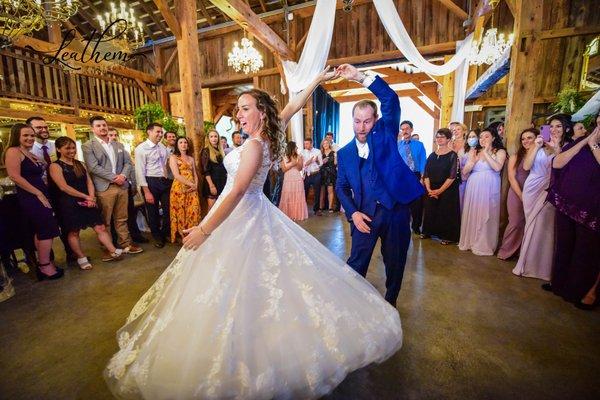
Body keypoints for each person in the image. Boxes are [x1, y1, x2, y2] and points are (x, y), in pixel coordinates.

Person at [105, 65, 402, 400]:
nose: (239, 114)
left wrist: (205, 229)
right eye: (238, 110)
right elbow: (290, 106)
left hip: (243, 215)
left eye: (245, 108)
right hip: (239, 214)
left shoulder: (256, 145)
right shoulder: (265, 138)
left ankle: (251, 353)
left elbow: (237, 190)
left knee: (248, 283)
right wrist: (316, 81)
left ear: (261, 113)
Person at [336, 65, 424, 306]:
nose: (362, 127)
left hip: (395, 211)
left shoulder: (385, 132)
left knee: (395, 262)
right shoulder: (344, 154)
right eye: (357, 121)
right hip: (364, 215)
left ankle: (390, 303)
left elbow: (390, 99)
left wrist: (359, 77)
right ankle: (350, 304)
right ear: (352, 122)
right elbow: (341, 187)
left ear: (375, 120)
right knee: (356, 263)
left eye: (367, 121)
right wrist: (353, 213)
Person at [544, 114, 599, 309]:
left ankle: (576, 291)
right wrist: (585, 141)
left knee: (584, 251)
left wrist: (593, 145)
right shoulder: (582, 141)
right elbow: (557, 163)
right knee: (564, 245)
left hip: (591, 208)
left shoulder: (595, 146)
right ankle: (559, 284)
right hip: (567, 202)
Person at [49, 137, 124, 269]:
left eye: (73, 148)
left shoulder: (80, 164)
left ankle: (112, 250)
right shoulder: (55, 166)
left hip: (87, 199)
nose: (72, 151)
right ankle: (80, 257)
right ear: (58, 149)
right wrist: (86, 197)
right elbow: (63, 187)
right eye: (67, 148)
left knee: (100, 227)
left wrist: (91, 196)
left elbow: (89, 181)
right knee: (74, 232)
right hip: (69, 202)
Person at [512, 114, 570, 281]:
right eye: (551, 126)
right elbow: (527, 166)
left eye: (558, 126)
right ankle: (526, 263)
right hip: (532, 185)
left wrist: (556, 147)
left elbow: (561, 166)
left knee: (544, 225)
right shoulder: (539, 145)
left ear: (565, 128)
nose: (554, 130)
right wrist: (537, 146)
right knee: (530, 223)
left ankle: (540, 267)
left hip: (551, 186)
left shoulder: (567, 146)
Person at [4, 123, 63, 280]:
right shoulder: (13, 151)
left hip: (39, 194)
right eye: (26, 135)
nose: (30, 138)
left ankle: (43, 262)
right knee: (47, 229)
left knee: (42, 230)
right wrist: (37, 193)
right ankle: (44, 266)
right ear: (17, 136)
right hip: (31, 196)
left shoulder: (27, 152)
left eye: (31, 135)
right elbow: (14, 176)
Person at [83, 116, 143, 255]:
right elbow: (93, 167)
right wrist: (114, 178)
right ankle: (108, 248)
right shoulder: (88, 146)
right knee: (106, 220)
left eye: (104, 125)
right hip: (105, 188)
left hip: (122, 186)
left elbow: (128, 163)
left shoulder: (118, 145)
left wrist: (122, 176)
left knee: (122, 218)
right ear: (92, 129)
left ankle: (126, 244)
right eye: (98, 126)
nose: (102, 128)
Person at [27, 116, 75, 262]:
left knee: (66, 221)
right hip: (41, 191)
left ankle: (71, 252)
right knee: (45, 225)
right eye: (39, 128)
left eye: (45, 127)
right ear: (31, 129)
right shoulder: (29, 149)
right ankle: (48, 258)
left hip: (60, 191)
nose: (43, 130)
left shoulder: (56, 145)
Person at [459, 127, 507, 255]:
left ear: (493, 138)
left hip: (490, 185)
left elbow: (497, 167)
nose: (482, 139)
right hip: (473, 184)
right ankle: (470, 241)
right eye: (481, 137)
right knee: (473, 211)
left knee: (488, 211)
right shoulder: (474, 151)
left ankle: (484, 244)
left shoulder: (500, 151)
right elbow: (464, 172)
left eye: (486, 136)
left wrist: (486, 152)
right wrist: (472, 162)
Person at [496, 129, 535, 260]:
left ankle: (521, 253)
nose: (526, 141)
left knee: (530, 224)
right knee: (515, 222)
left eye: (530, 138)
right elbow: (512, 178)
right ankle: (505, 251)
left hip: (535, 192)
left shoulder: (540, 154)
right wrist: (522, 195)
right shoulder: (515, 157)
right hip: (517, 191)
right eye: (523, 139)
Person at [135, 123, 172, 248]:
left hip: (164, 180)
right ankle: (157, 237)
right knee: (153, 211)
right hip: (150, 182)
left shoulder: (162, 146)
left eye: (161, 132)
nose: (160, 134)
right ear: (149, 132)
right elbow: (140, 171)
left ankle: (164, 232)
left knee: (168, 209)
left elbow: (167, 161)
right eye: (158, 132)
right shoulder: (141, 149)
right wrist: (146, 191)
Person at [107, 128, 148, 244]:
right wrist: (115, 178)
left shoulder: (122, 149)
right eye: (111, 135)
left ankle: (135, 235)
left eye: (115, 135)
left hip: (125, 184)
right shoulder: (104, 151)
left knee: (129, 212)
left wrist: (133, 185)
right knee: (112, 216)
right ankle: (114, 240)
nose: (114, 137)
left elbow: (130, 166)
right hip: (109, 185)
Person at [421, 128, 460, 245]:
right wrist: (429, 189)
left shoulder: (452, 155)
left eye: (442, 137)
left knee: (446, 211)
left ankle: (447, 236)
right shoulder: (432, 155)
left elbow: (452, 176)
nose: (439, 139)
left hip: (447, 188)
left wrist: (440, 191)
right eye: (437, 137)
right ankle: (428, 231)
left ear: (448, 139)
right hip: (431, 187)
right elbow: (426, 173)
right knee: (429, 209)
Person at [397, 120, 427, 234]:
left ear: (411, 130)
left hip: (416, 175)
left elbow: (423, 161)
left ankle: (416, 226)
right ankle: (402, 225)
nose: (405, 131)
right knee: (402, 202)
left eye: (407, 129)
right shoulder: (397, 145)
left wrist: (422, 177)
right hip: (402, 176)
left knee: (417, 202)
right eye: (403, 129)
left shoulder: (419, 145)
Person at [168, 137, 200, 243]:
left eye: (185, 142)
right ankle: (183, 236)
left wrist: (195, 184)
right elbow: (176, 175)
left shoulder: (191, 158)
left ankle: (192, 235)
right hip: (179, 188)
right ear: (177, 145)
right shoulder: (173, 157)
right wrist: (191, 184)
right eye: (181, 142)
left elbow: (195, 173)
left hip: (192, 189)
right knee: (181, 211)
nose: (183, 144)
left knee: (193, 210)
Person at [278, 141, 308, 221]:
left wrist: (297, 163)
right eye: (296, 147)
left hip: (297, 178)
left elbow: (300, 168)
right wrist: (292, 164)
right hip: (288, 178)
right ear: (292, 148)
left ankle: (297, 214)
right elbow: (284, 169)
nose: (297, 148)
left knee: (297, 195)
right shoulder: (283, 157)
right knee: (288, 196)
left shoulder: (299, 156)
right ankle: (288, 214)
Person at [201, 129, 227, 212]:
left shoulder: (221, 150)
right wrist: (211, 185)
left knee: (221, 208)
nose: (214, 138)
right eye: (211, 137)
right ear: (208, 139)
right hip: (212, 182)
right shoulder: (206, 151)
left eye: (215, 136)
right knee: (211, 210)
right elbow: (206, 171)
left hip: (222, 181)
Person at [301, 137, 323, 215]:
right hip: (307, 174)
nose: (305, 145)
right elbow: (302, 164)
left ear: (311, 143)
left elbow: (321, 164)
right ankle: (303, 209)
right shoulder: (302, 152)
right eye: (304, 144)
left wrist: (317, 161)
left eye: (307, 143)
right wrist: (308, 162)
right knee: (304, 192)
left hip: (316, 174)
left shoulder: (318, 151)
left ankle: (316, 210)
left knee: (317, 192)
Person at [459, 129, 480, 211]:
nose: (471, 139)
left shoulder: (481, 151)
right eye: (469, 137)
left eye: (474, 136)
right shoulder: (462, 151)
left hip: (477, 182)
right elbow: (460, 169)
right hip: (463, 182)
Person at [319, 138, 337, 213]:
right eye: (324, 144)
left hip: (330, 173)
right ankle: (320, 207)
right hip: (322, 173)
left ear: (329, 144)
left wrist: (336, 157)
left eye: (326, 143)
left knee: (330, 190)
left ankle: (330, 207)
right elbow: (318, 165)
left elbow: (335, 163)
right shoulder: (320, 153)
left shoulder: (333, 152)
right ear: (322, 145)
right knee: (322, 191)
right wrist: (322, 162)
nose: (325, 145)